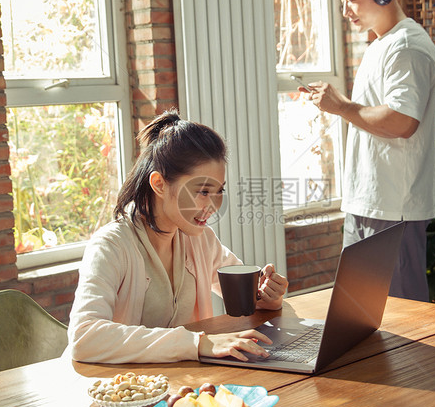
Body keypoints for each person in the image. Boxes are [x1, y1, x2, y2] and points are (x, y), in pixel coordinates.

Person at [68, 110, 288, 363]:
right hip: (119, 390)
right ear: (159, 184)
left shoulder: (200, 239)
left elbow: (247, 300)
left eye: (218, 192)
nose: (214, 205)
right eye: (203, 191)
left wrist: (267, 296)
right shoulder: (111, 245)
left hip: (182, 384)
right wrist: (198, 343)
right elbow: (84, 338)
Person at [299, 0, 435, 302]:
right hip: (368, 202)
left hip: (394, 207)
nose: (345, 9)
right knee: (361, 315)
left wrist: (342, 107)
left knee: (404, 320)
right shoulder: (382, 45)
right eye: (342, 0)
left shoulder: (407, 46)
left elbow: (402, 120)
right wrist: (337, 106)